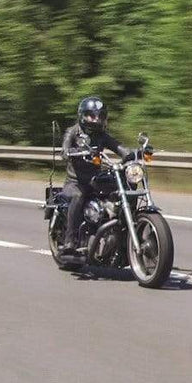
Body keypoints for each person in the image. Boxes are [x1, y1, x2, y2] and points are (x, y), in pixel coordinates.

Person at [59, 96, 130, 262]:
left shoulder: (102, 136)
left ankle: (122, 237)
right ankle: (70, 241)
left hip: (94, 181)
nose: (97, 119)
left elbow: (118, 146)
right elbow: (65, 149)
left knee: (122, 189)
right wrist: (69, 152)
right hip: (75, 182)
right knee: (78, 196)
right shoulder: (73, 131)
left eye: (100, 116)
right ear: (83, 115)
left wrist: (131, 154)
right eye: (92, 115)